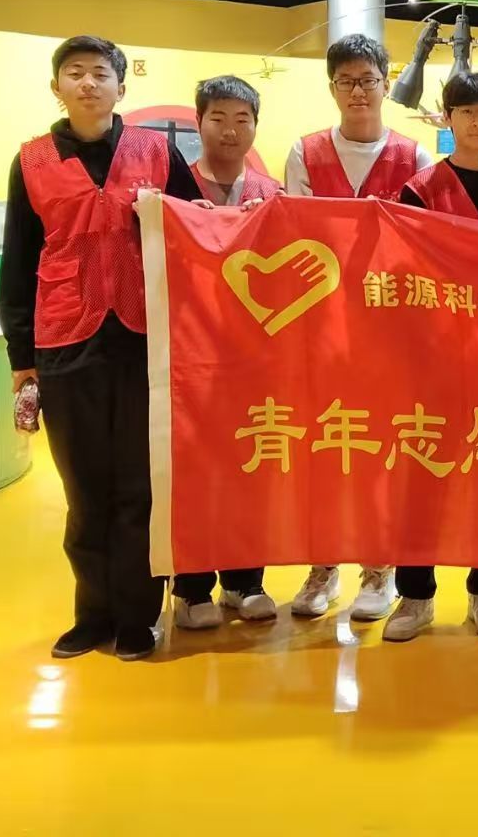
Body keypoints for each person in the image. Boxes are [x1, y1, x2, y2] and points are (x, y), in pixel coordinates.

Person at [0, 35, 200, 661]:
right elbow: (18, 259)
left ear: (121, 86)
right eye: (75, 73)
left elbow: (196, 230)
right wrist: (22, 358)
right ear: (56, 87)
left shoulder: (156, 151)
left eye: (100, 73)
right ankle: (92, 614)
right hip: (64, 340)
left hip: (145, 340)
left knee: (139, 486)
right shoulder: (31, 160)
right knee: (83, 489)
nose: (88, 83)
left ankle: (138, 616)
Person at [285, 33, 434, 623]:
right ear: (332, 88)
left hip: (391, 329)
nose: (357, 92)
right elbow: (293, 235)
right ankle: (323, 566)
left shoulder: (415, 157)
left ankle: (379, 567)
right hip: (321, 325)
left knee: (381, 446)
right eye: (346, 81)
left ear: (385, 84)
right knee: (323, 445)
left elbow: (426, 245)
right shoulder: (304, 152)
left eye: (368, 80)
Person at [385, 71, 478, 642]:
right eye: (467, 111)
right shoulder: (420, 189)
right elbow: (401, 270)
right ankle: (415, 595)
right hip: (434, 353)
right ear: (448, 119)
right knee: (424, 470)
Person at [172, 75, 282, 630]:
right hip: (189, 354)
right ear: (199, 122)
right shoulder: (174, 188)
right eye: (218, 117)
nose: (231, 130)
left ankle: (245, 581)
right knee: (193, 470)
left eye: (243, 119)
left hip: (255, 356)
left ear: (256, 126)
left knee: (251, 465)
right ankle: (191, 588)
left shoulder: (273, 193)